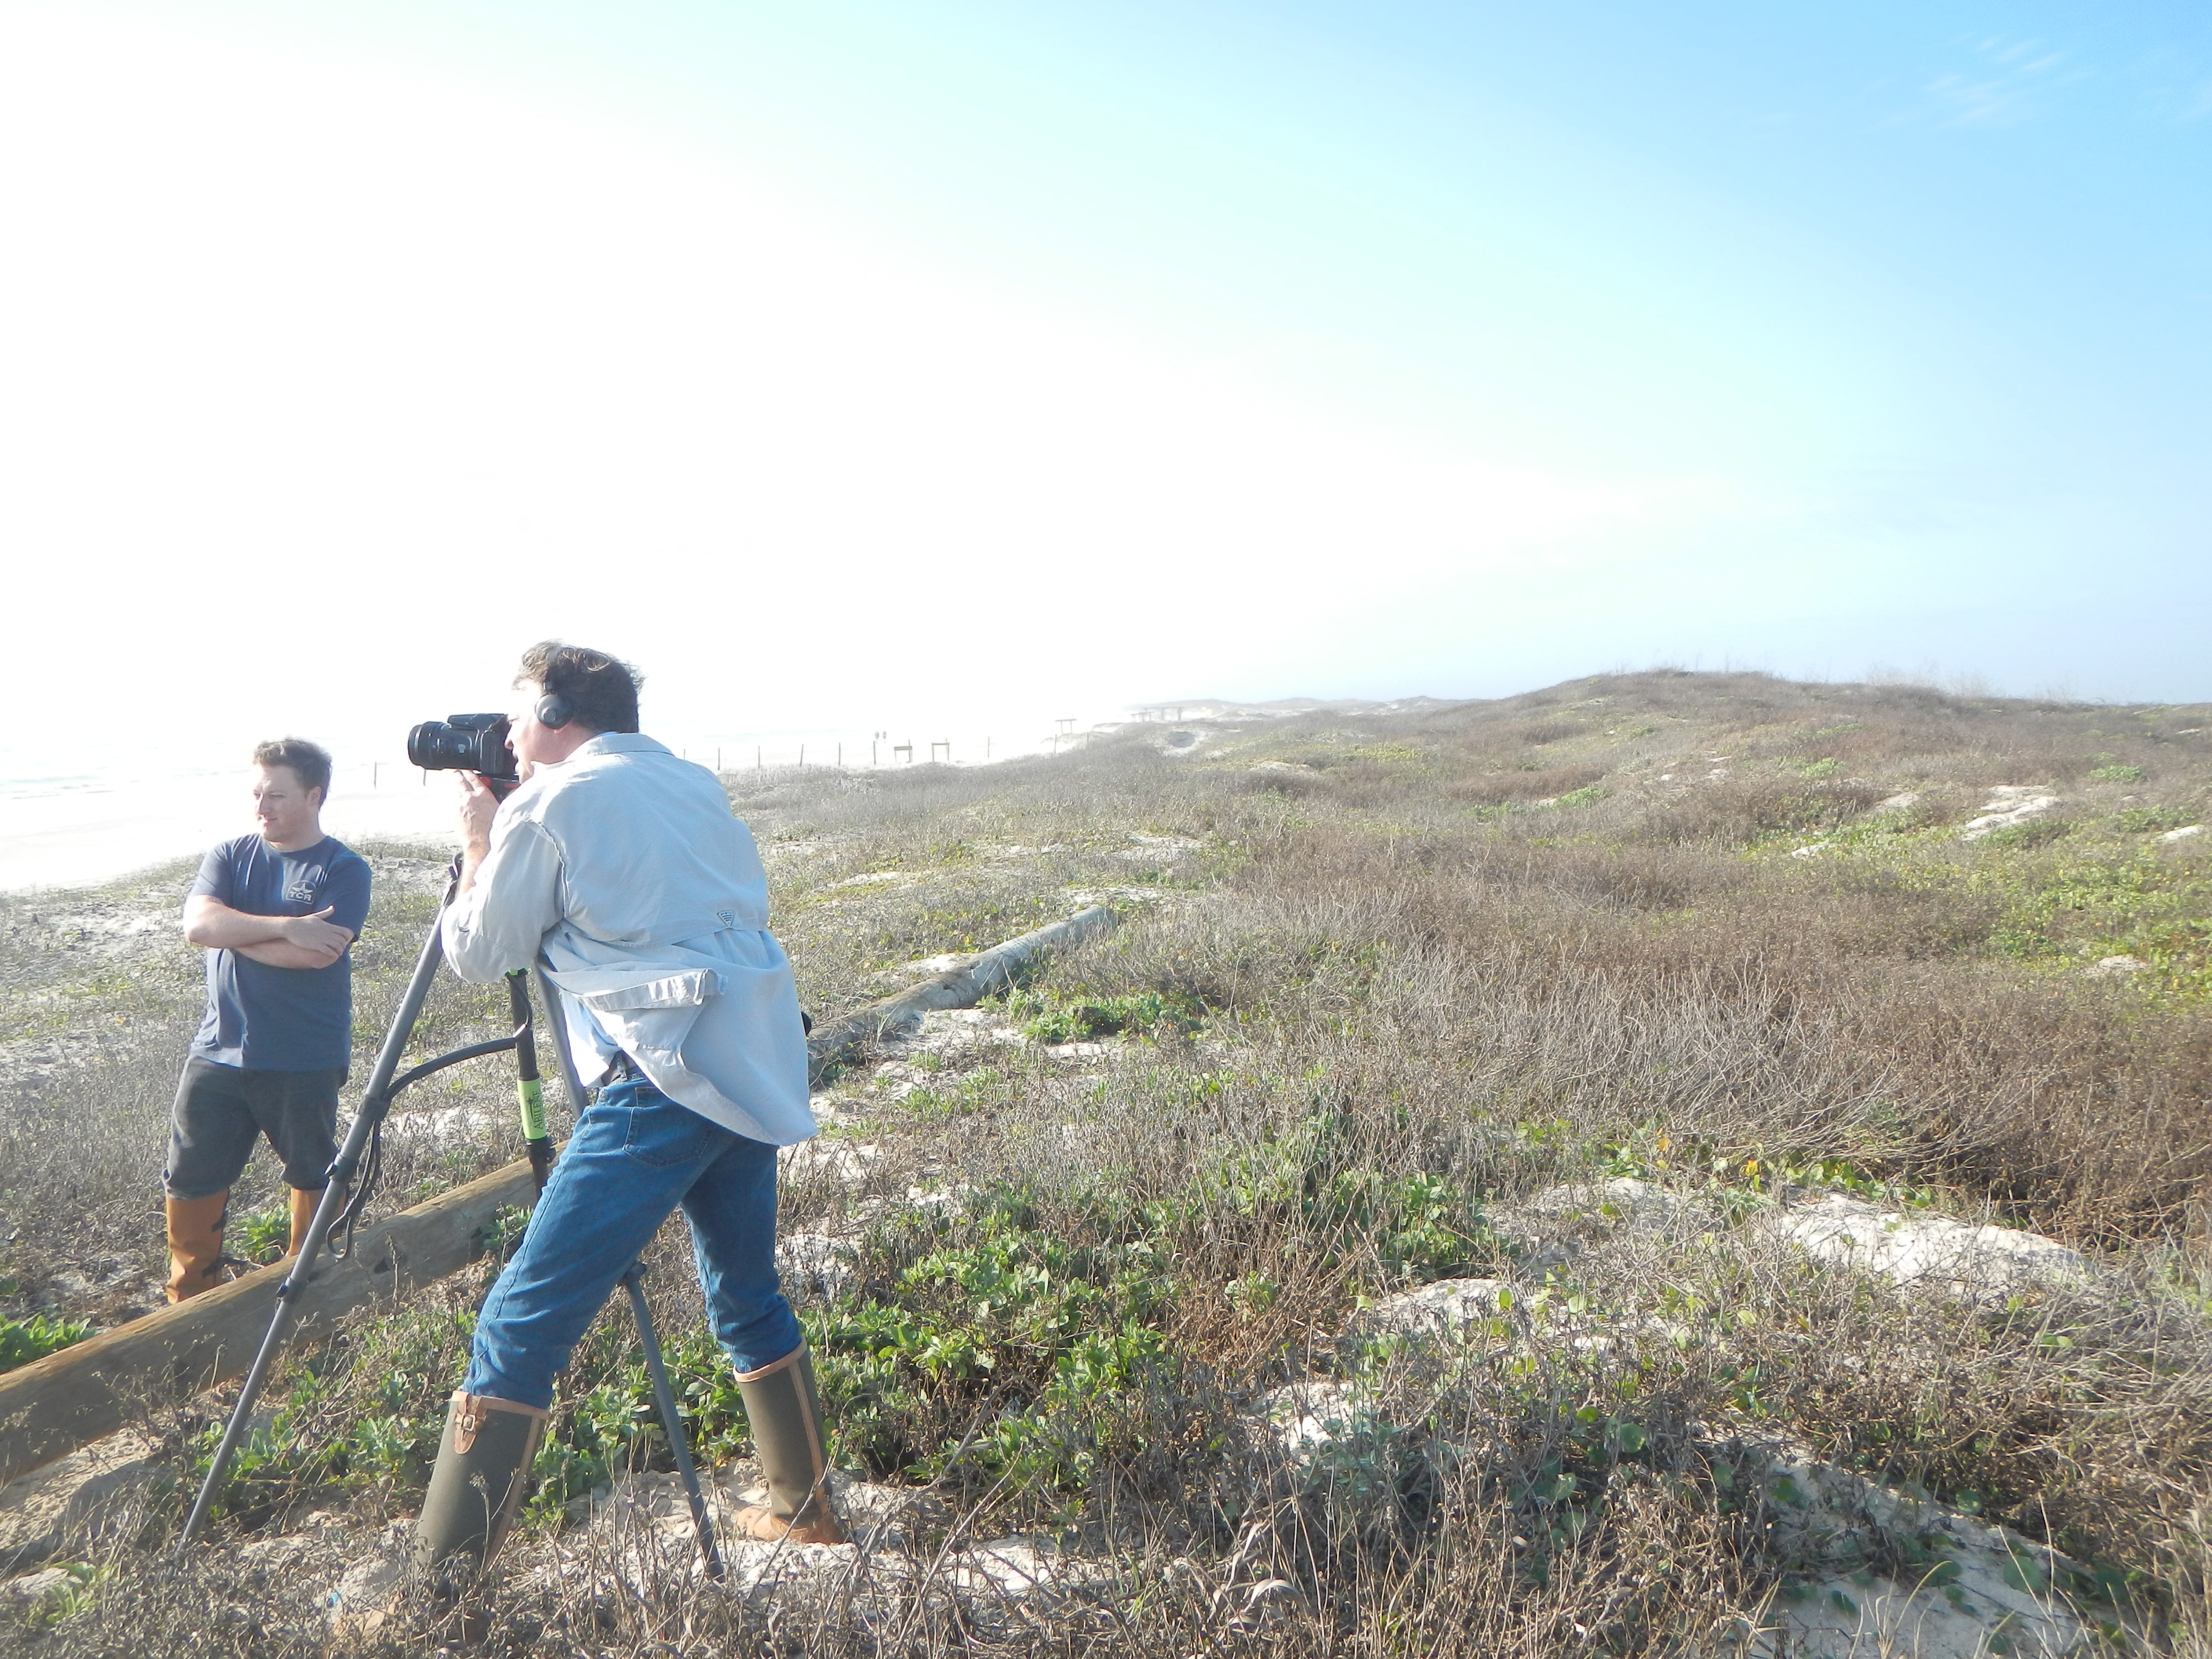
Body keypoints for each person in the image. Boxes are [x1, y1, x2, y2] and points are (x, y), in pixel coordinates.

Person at [412, 641, 832, 1573]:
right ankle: (806, 1510)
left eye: (519, 715)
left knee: (520, 1320)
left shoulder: (551, 801)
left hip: (660, 1076)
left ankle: (440, 1588)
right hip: (751, 1061)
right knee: (745, 1296)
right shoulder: (690, 782)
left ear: (559, 717)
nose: (511, 735)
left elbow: (480, 955)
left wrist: (482, 839)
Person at [165, 739, 371, 1302]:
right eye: (257, 792)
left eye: (276, 794)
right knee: (189, 1178)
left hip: (302, 1057)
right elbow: (199, 926)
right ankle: (192, 1299)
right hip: (216, 1051)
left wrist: (240, 935)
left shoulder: (344, 868)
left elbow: (317, 955)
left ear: (313, 796)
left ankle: (305, 1294)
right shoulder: (230, 855)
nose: (263, 805)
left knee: (313, 1175)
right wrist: (284, 927)